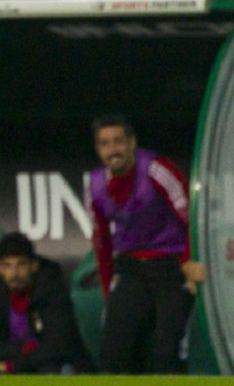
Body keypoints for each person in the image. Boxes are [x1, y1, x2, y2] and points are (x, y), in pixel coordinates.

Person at [86, 115, 206, 373]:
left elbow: (192, 219)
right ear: (98, 150)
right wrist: (109, 290)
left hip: (170, 267)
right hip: (130, 269)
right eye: (105, 144)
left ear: (132, 143)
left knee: (167, 351)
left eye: (119, 142)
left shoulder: (157, 170)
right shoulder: (95, 185)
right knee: (113, 351)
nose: (113, 150)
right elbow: (101, 241)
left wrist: (188, 261)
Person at [0, 232, 89, 373]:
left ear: (34, 265)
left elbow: (60, 345)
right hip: (8, 358)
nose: (14, 273)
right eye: (7, 266)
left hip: (45, 364)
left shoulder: (51, 288)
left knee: (50, 369)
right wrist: (21, 348)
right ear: (0, 268)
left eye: (21, 264)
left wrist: (15, 365)